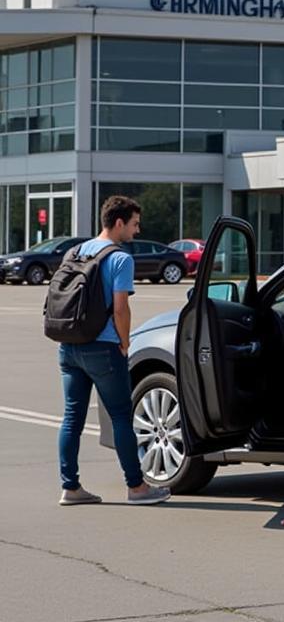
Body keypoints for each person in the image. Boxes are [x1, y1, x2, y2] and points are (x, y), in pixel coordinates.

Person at [57, 195, 171, 506]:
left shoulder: (75, 251)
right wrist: (124, 341)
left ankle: (70, 487)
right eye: (134, 224)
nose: (137, 230)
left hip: (69, 345)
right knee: (122, 415)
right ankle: (137, 487)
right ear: (118, 222)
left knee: (72, 418)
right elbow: (121, 309)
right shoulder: (120, 258)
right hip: (103, 347)